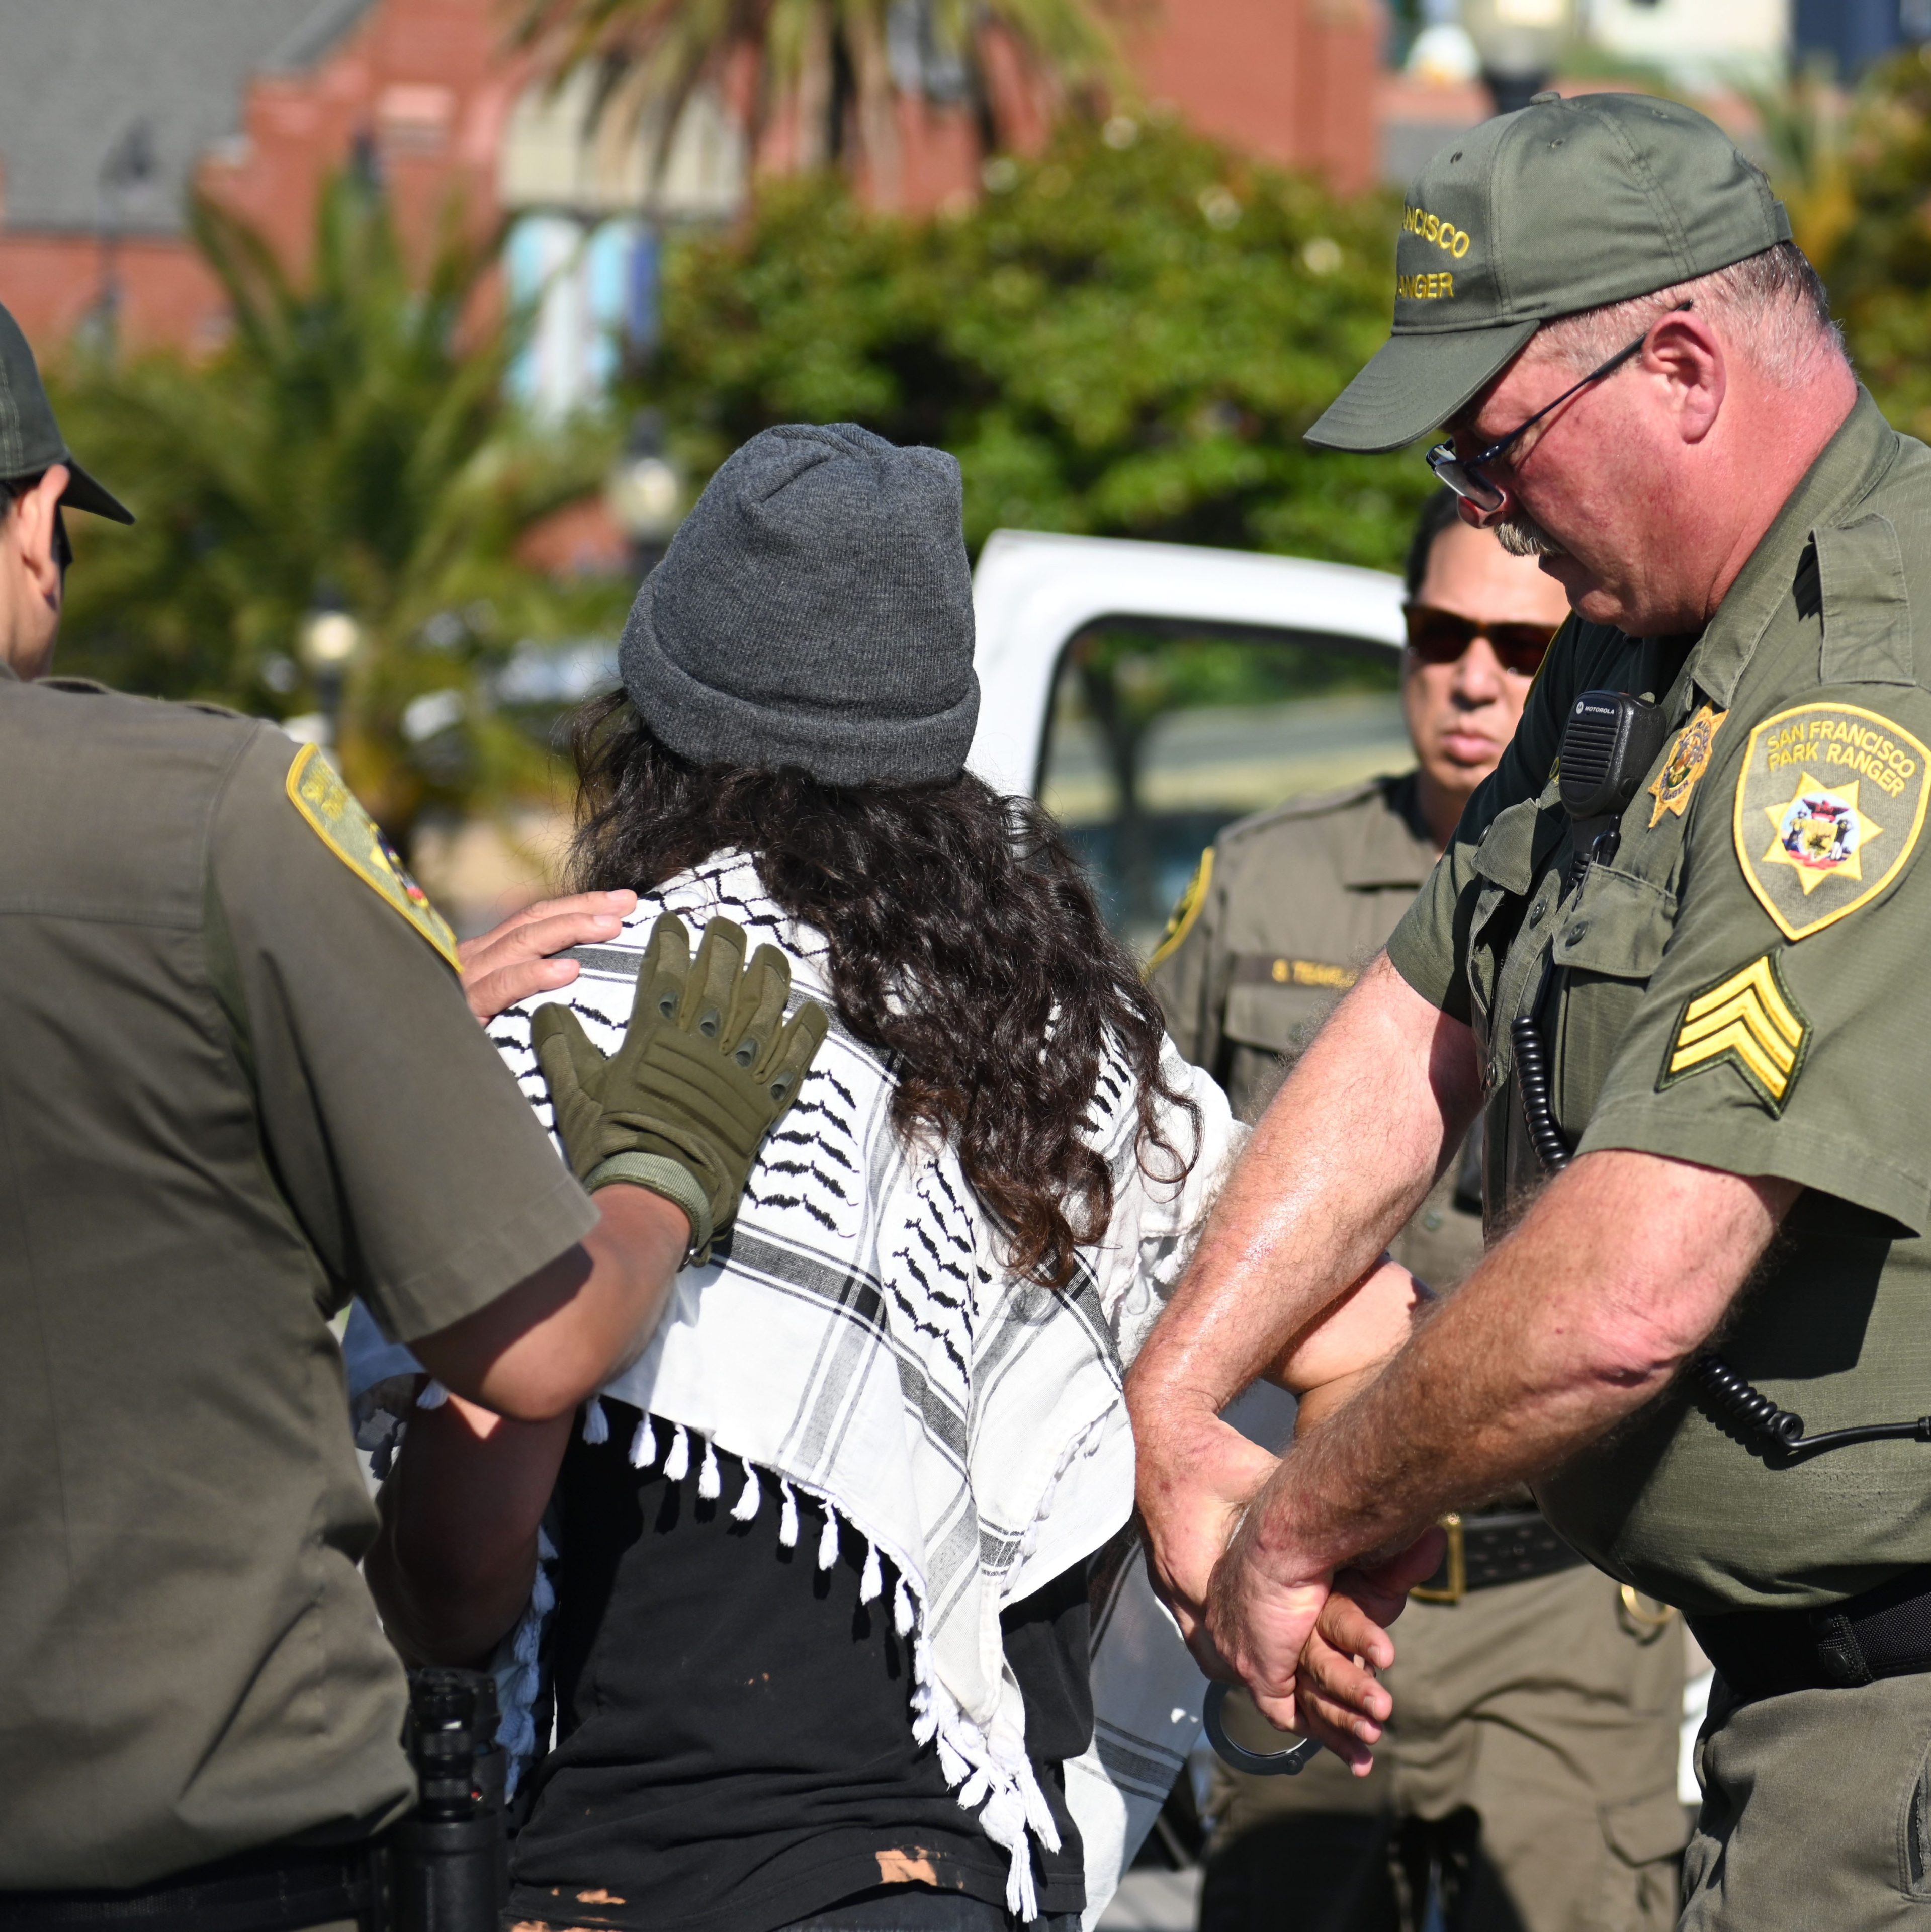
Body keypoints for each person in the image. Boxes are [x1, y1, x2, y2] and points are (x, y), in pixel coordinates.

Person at [1126, 88, 1931, 1932]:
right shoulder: (1640, 650)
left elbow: (1635, 1291)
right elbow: (1421, 1017)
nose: (1480, 512)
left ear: (1680, 367)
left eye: (1493, 448)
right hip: (1799, 1718)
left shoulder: (1868, 687)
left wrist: (1301, 1517)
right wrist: (1179, 1401)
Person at [363, 423, 1262, 1932]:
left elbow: (453, 1575)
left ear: (650, 717)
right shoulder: (1072, 1058)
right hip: (934, 1885)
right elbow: (1346, 1315)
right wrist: (1174, 1426)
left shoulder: (553, 1008)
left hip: (593, 1877)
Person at [0, 297, 820, 1927]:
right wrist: (662, 1160)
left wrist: (360, 1034)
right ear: (35, 516)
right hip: (191, 1849)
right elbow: (530, 1349)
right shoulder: (212, 821)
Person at [1150, 491, 1686, 1931]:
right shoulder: (1270, 877)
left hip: (1560, 1590)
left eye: (1520, 646)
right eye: (1441, 634)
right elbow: (1133, 1156)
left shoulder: (1655, 891)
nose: (1472, 676)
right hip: (1313, 1579)